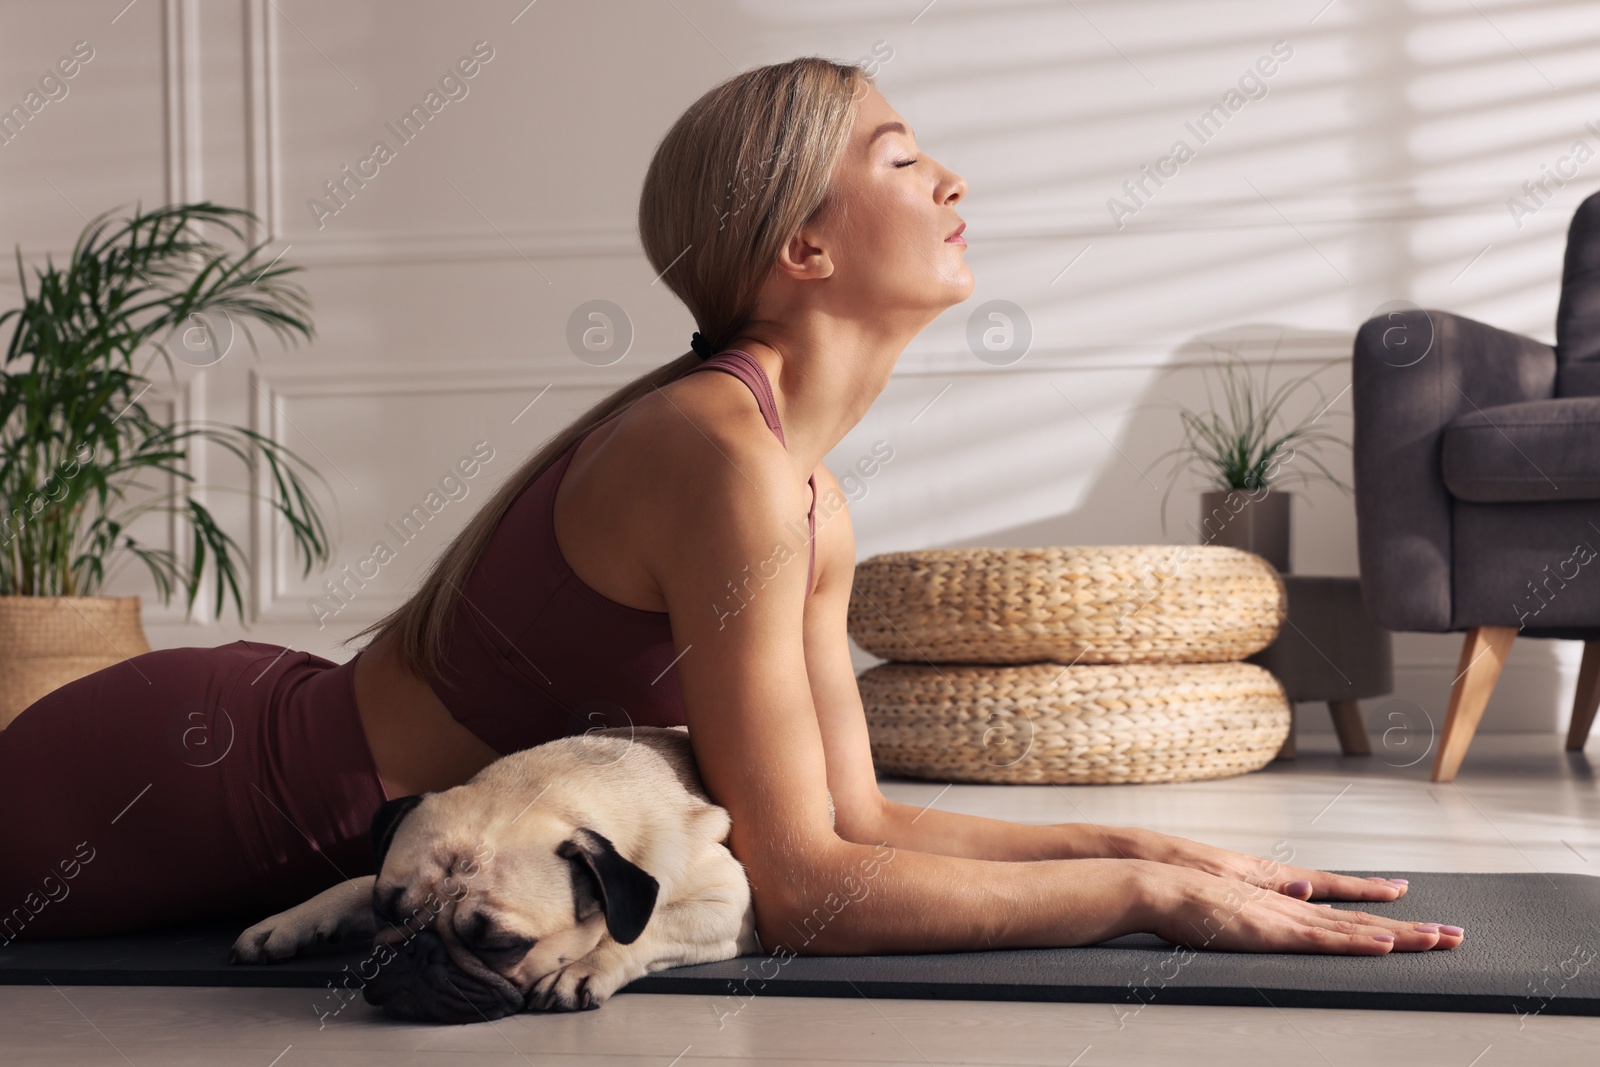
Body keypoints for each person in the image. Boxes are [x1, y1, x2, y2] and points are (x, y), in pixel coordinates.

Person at [0, 56, 1461, 955]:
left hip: (270, 757)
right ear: (803, 245)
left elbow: (853, 820)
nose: (950, 176)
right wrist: (1148, 908)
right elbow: (816, 894)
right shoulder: (725, 465)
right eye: (902, 158)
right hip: (202, 791)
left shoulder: (802, 484)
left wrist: (1160, 849)